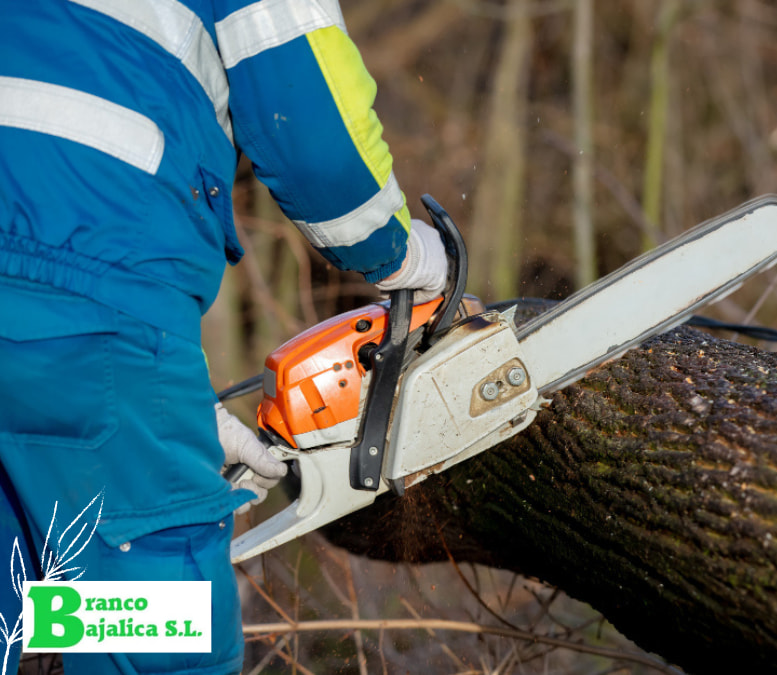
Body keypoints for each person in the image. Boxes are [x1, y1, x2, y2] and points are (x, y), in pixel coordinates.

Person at [0, 1, 447, 672]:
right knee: (159, 617)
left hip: (75, 315)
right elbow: (312, 130)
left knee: (23, 601)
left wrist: (169, 410)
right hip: (98, 297)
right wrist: (402, 255)